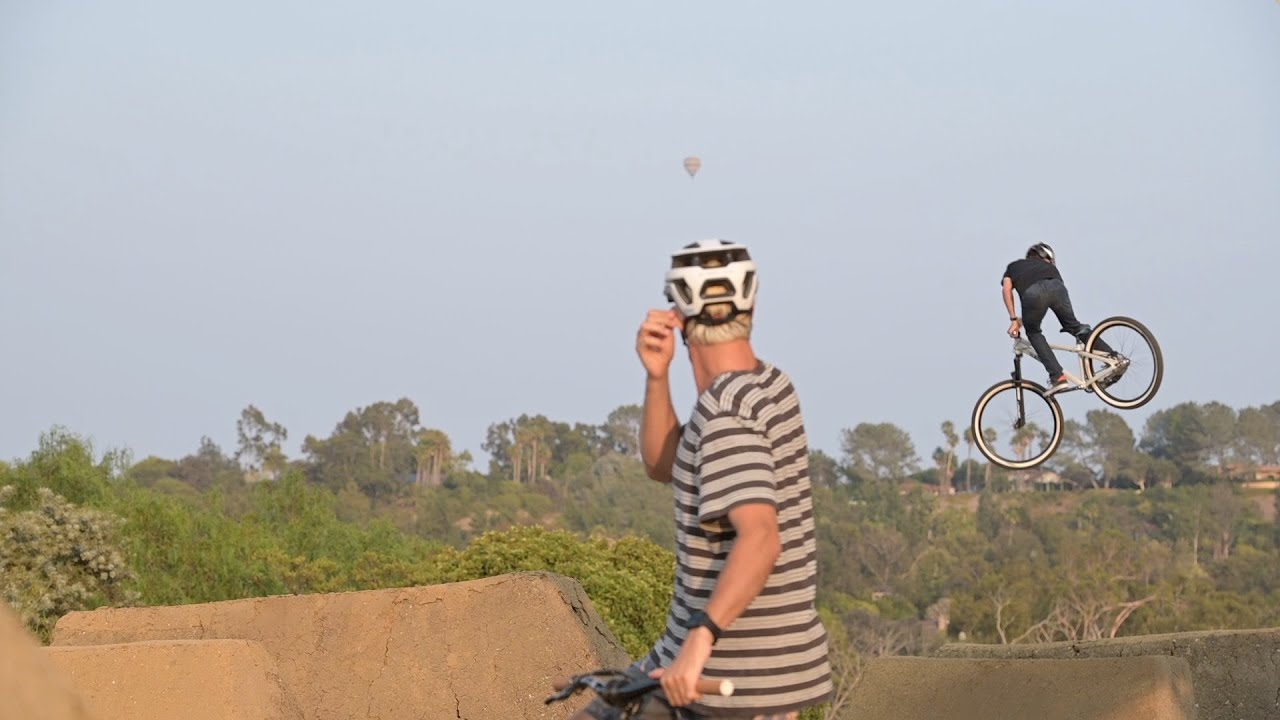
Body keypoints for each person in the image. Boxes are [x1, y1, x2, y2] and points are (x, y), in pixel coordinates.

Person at [571, 239, 833, 720]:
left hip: (718, 675)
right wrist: (657, 377)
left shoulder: (725, 414)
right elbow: (665, 464)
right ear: (751, 303)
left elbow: (761, 537)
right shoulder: (768, 384)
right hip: (774, 670)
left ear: (679, 312)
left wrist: (698, 645)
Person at [1001, 242, 1114, 394]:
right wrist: (1021, 320)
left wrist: (1013, 319)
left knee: (1033, 332)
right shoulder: (1050, 268)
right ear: (1046, 258)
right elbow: (1046, 292)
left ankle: (1057, 377)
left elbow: (1007, 289)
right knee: (1074, 326)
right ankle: (1113, 356)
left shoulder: (1014, 266)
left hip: (1032, 294)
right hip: (1057, 287)